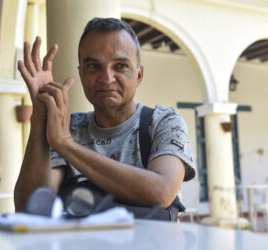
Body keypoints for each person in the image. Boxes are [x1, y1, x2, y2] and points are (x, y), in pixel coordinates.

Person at [14, 17, 195, 220]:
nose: (107, 78)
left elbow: (161, 193)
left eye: (120, 66)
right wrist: (41, 115)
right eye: (93, 66)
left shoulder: (163, 122)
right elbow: (30, 209)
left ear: (139, 75)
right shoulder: (68, 127)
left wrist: (65, 144)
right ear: (81, 74)